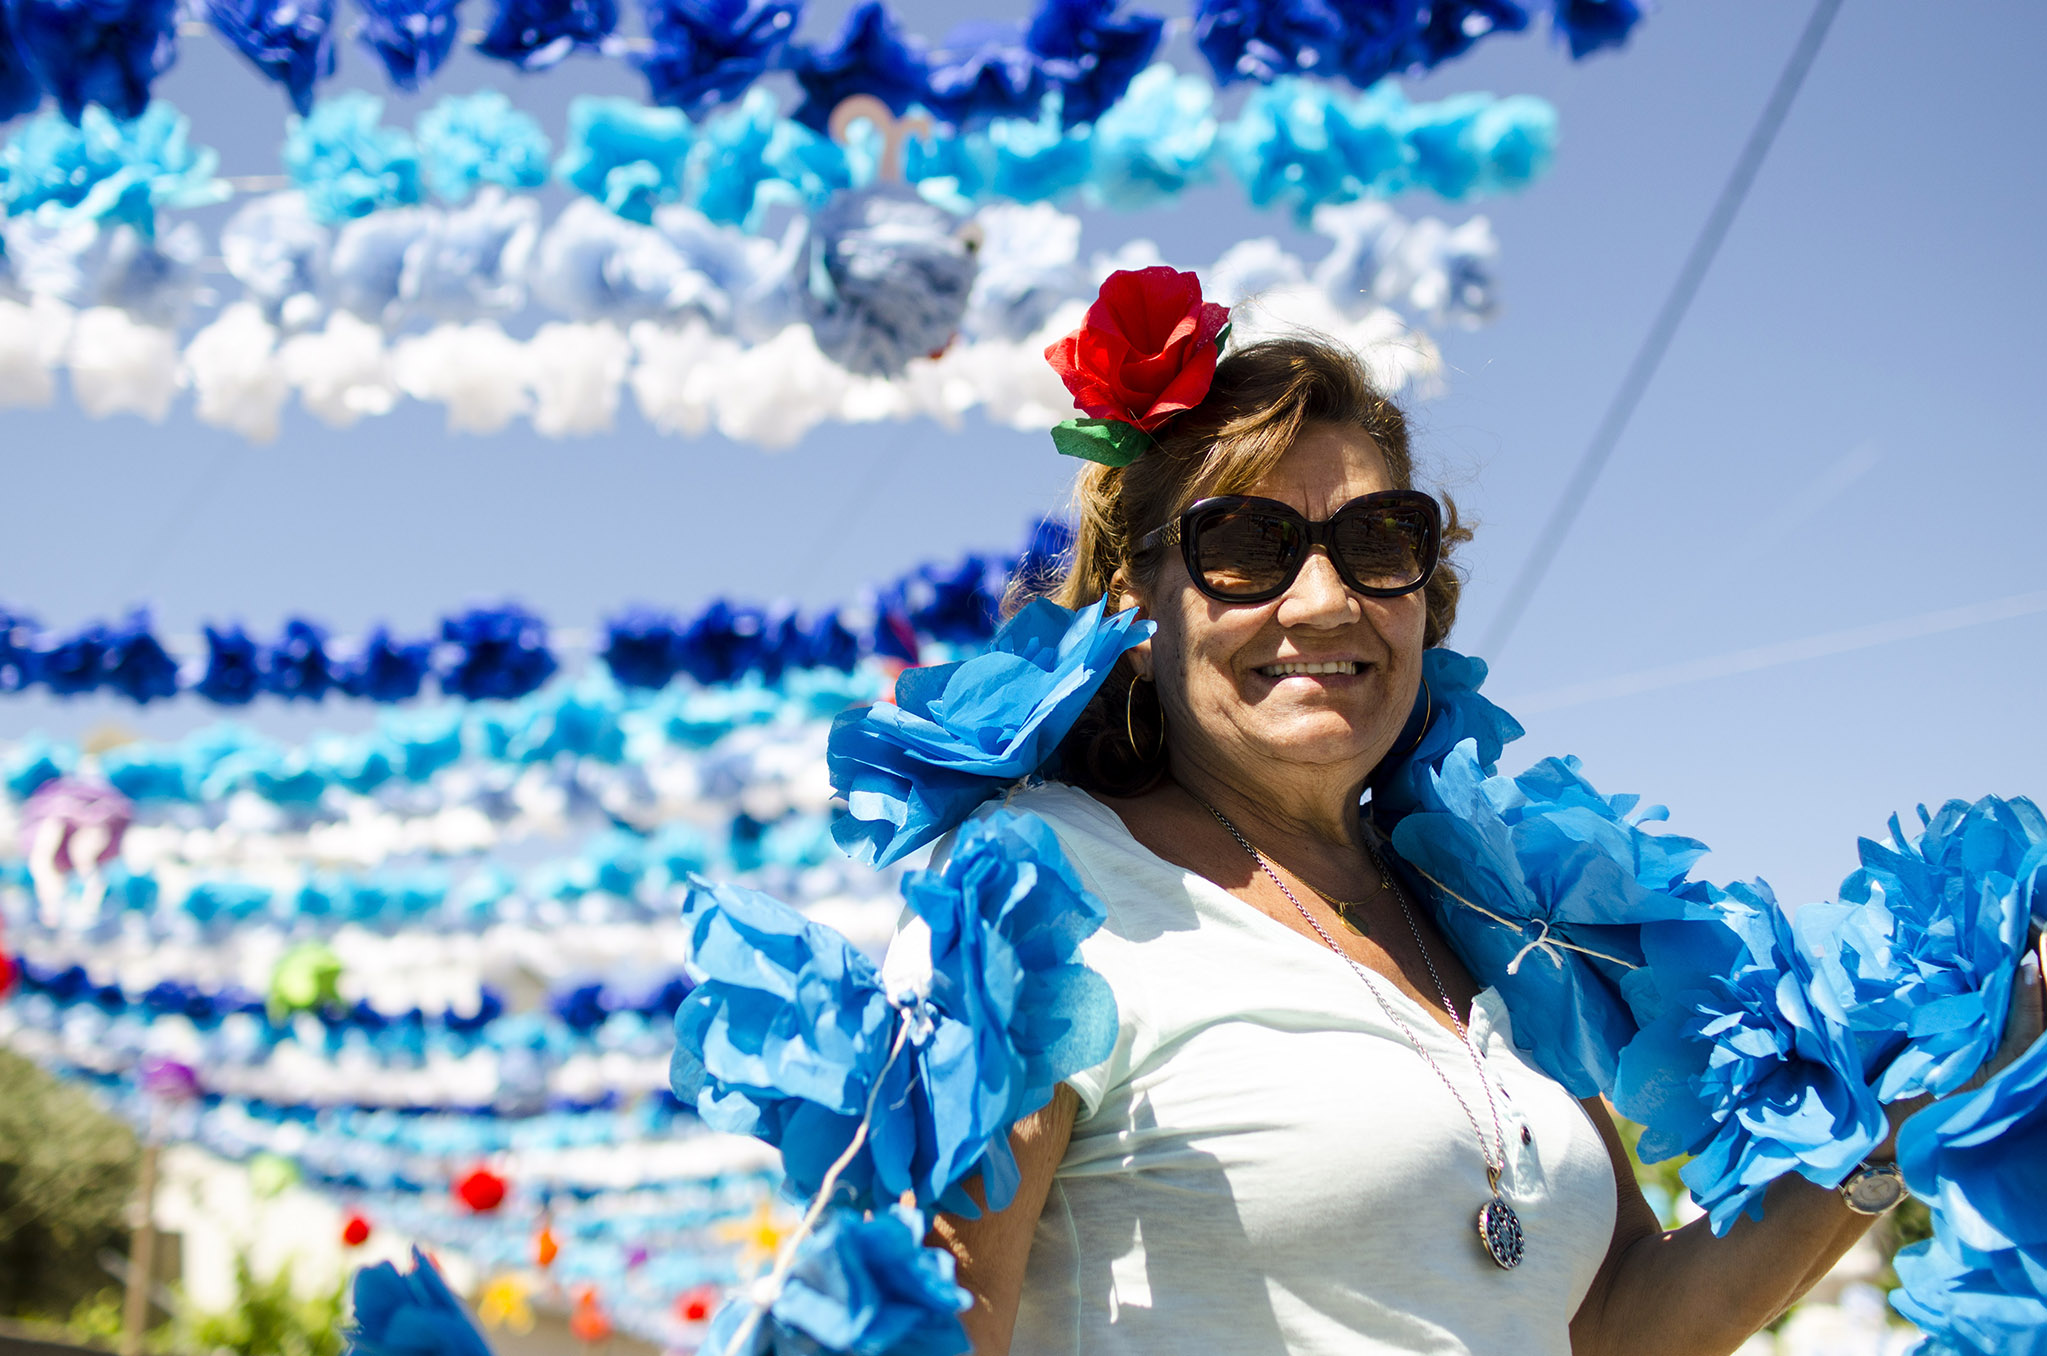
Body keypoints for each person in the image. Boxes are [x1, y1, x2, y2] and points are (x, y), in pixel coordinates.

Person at [917, 330, 2047, 1356]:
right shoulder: (1032, 892)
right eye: (1248, 546)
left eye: (1374, 540)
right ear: (1135, 614)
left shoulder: (1482, 913)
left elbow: (1619, 1325)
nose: (1322, 601)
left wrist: (1900, 1110)